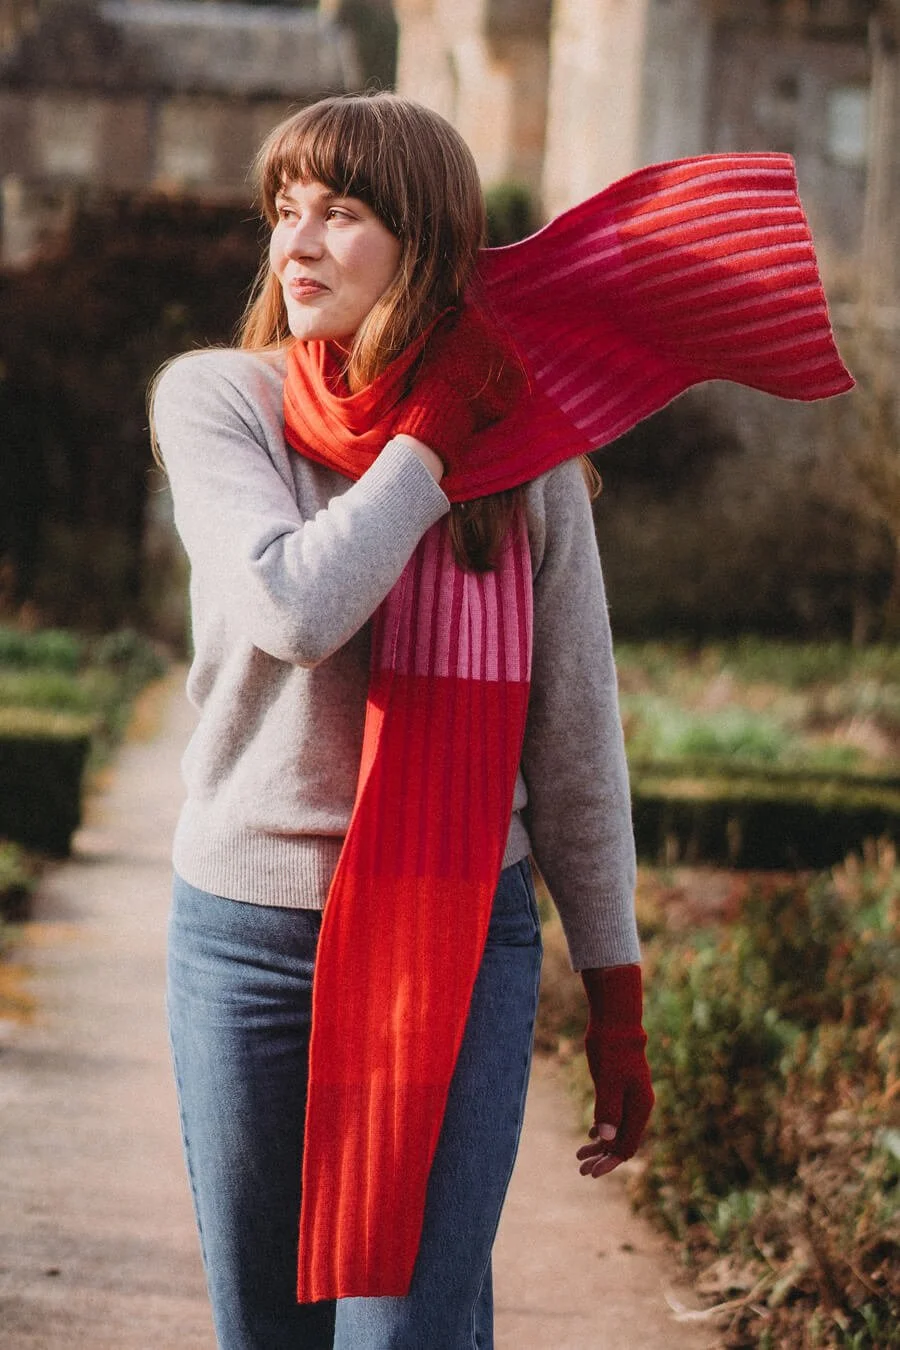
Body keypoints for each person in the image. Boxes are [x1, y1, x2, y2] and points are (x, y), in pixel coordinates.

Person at [151, 91, 654, 1350]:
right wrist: (428, 445)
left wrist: (617, 994)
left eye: (344, 213)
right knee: (273, 1332)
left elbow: (576, 737)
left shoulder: (524, 452)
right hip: (248, 942)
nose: (298, 244)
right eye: (286, 211)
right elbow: (293, 606)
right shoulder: (219, 402)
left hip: (456, 937)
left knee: (410, 1337)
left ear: (421, 244)